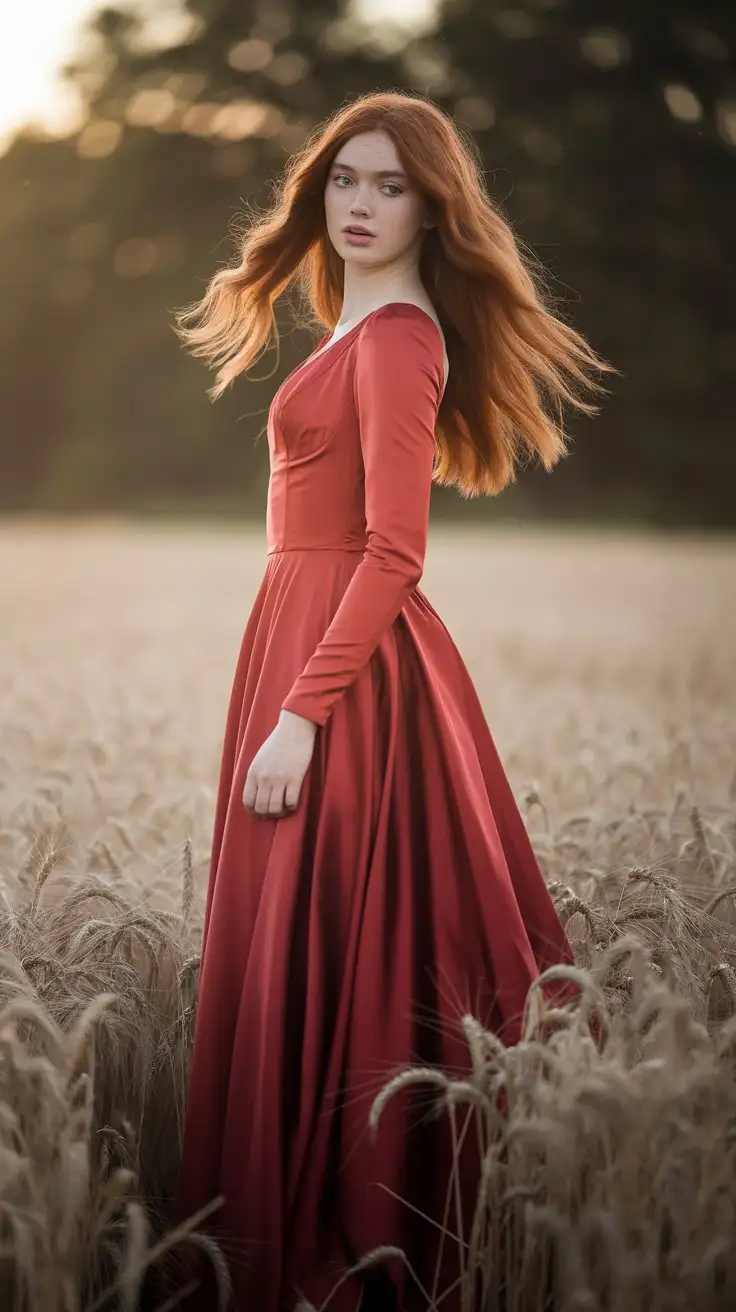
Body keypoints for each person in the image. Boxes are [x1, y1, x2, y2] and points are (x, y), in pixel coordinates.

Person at [170, 90, 613, 1312]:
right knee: (298, 938)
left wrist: (303, 713)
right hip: (300, 637)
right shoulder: (348, 322)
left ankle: (343, 1235)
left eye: (391, 186)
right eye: (345, 181)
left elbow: (394, 551)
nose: (360, 205)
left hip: (342, 678)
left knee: (338, 942)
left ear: (433, 204)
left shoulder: (402, 337)